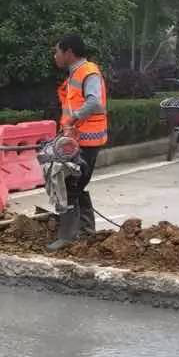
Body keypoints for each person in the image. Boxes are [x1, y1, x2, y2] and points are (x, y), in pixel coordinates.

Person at [49, 34, 108, 251]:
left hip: (87, 141)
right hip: (76, 140)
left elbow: (94, 101)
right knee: (76, 183)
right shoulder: (76, 73)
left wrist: (73, 119)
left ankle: (68, 236)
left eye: (57, 51)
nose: (55, 56)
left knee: (69, 186)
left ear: (69, 52)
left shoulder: (88, 71)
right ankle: (86, 230)